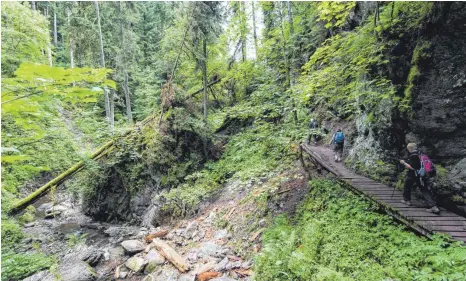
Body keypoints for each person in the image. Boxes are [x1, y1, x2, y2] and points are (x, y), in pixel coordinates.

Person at [400, 143, 440, 214]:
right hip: (422, 175)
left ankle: (406, 200)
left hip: (414, 174)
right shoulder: (420, 154)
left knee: (407, 186)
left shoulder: (413, 156)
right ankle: (433, 207)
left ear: (409, 149)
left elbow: (412, 167)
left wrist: (403, 163)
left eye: (408, 149)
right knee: (424, 189)